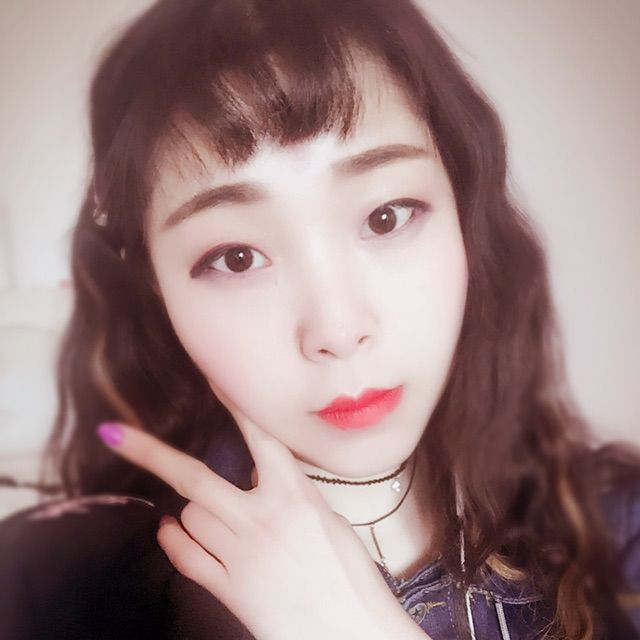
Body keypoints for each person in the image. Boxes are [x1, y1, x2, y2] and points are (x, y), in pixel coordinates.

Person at [0, 0, 639, 638]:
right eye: (236, 257)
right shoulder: (65, 586)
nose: (337, 331)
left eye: (386, 217)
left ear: (464, 211)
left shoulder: (616, 525)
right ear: (155, 288)